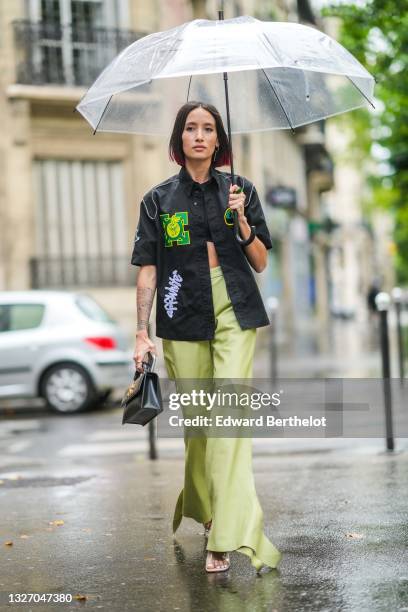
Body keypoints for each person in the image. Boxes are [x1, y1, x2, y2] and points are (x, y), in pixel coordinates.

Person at [131, 100, 282, 573]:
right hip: (181, 313)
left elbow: (260, 261)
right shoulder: (158, 201)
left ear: (219, 140)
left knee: (229, 420)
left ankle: (228, 535)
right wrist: (141, 331)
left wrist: (241, 220)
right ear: (179, 139)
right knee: (199, 426)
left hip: (234, 306)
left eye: (208, 128)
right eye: (191, 128)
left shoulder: (242, 190)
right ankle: (207, 508)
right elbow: (148, 270)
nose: (199, 135)